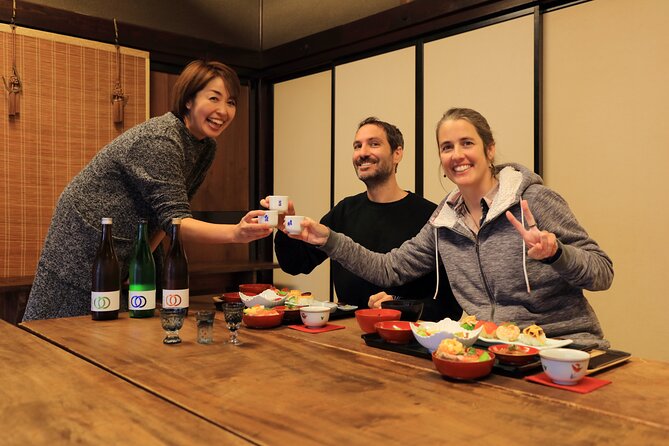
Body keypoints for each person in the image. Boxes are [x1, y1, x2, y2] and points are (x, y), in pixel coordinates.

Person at [284, 108, 613, 348]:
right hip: (490, 350)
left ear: (489, 148)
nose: (457, 155)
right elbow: (389, 269)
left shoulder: (534, 200)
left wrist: (557, 254)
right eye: (447, 147)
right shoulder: (444, 220)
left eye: (466, 143)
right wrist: (327, 238)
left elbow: (602, 272)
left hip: (563, 348)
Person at [23, 60, 273, 321]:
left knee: (121, 325)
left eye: (231, 102)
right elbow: (177, 221)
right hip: (85, 236)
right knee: (67, 325)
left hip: (131, 239)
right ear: (189, 100)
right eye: (214, 98)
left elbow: (168, 219)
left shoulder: (206, 147)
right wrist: (236, 232)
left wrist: (140, 259)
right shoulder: (162, 139)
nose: (223, 111)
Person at [266, 117, 461, 321]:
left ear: (397, 153)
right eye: (357, 146)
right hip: (347, 332)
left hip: (408, 336)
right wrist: (286, 229)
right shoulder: (345, 211)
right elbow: (296, 264)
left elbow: (449, 306)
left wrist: (399, 306)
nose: (362, 153)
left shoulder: (430, 217)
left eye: (374, 144)